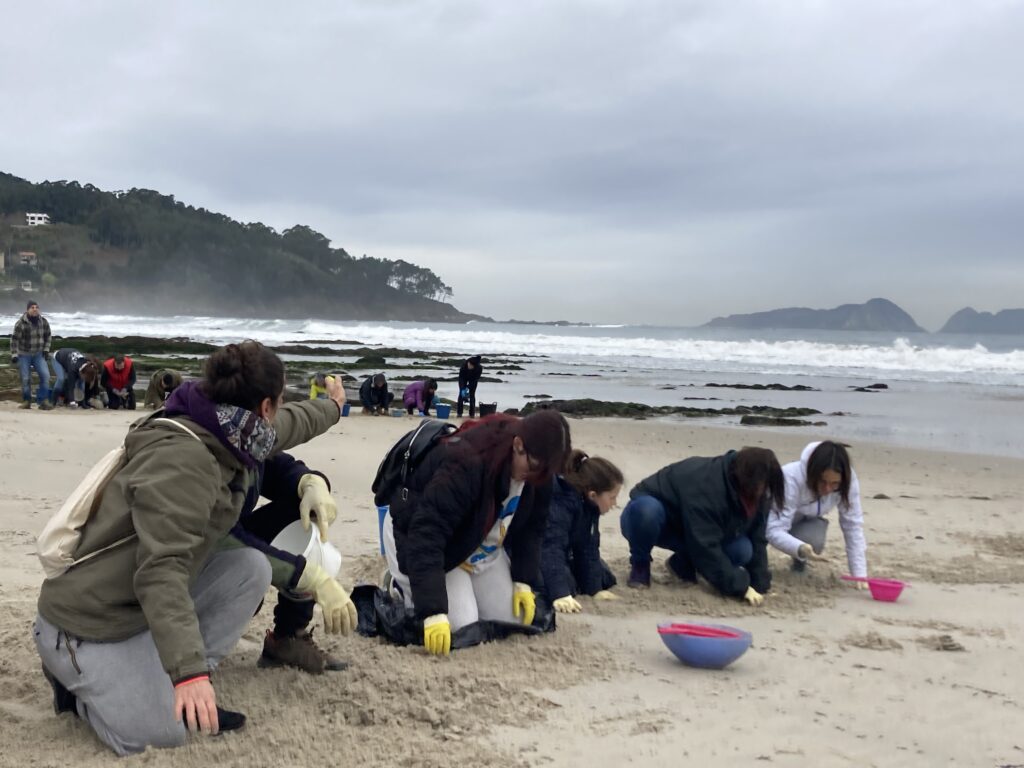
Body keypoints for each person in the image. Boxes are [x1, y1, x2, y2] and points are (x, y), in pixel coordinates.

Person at [33, 341, 353, 755]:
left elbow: (292, 423)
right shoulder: (183, 461)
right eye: (278, 402)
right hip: (88, 623)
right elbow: (160, 572)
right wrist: (188, 673)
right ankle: (77, 690)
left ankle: (169, 678)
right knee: (160, 734)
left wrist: (332, 409)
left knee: (250, 569)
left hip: (136, 609)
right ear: (266, 406)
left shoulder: (223, 422)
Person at [381, 409, 571, 655]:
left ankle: (457, 587)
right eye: (534, 466)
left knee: (516, 618)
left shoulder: (539, 473)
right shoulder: (467, 463)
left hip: (476, 543)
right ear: (518, 445)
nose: (536, 476)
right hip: (421, 537)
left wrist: (524, 580)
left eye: (546, 472)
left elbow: (532, 529)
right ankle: (399, 585)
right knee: (461, 626)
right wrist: (433, 611)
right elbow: (426, 534)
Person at [232, 450, 352, 674]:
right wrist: (304, 574)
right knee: (247, 566)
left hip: (226, 542)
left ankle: (288, 637)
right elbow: (223, 538)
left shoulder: (242, 431)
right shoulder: (198, 441)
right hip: (190, 569)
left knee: (305, 508)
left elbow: (275, 466)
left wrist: (310, 483)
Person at [619, 447, 783, 605]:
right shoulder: (709, 486)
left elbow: (757, 539)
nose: (764, 493)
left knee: (742, 549)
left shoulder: (758, 492)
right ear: (748, 478)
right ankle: (640, 565)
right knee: (647, 511)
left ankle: (682, 564)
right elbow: (705, 545)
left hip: (692, 528)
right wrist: (739, 587)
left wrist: (759, 585)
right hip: (650, 522)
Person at [767, 440, 868, 586]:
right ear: (812, 473)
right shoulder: (790, 477)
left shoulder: (849, 480)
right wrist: (799, 547)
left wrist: (859, 575)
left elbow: (852, 525)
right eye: (822, 481)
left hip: (807, 520)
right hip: (768, 518)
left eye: (834, 484)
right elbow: (773, 529)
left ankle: (799, 562)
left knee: (813, 540)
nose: (828, 489)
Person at [540, 450, 623, 613]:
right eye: (612, 497)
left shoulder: (591, 507)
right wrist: (560, 594)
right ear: (593, 494)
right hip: (535, 552)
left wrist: (595, 590)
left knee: (605, 577)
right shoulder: (561, 502)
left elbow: (588, 548)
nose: (615, 503)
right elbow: (551, 547)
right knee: (566, 585)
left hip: (564, 551)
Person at [10, 299, 53, 410]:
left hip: (39, 354)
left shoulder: (43, 321)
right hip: (24, 354)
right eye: (32, 307)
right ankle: (26, 401)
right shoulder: (21, 323)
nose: (35, 309)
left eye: (36, 307)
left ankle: (43, 401)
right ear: (27, 310)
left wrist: (46, 349)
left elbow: (48, 336)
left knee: (45, 375)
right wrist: (14, 354)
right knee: (25, 378)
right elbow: (14, 340)